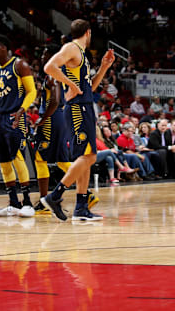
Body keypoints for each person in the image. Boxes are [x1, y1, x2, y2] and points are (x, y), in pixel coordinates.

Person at [41, 19, 115, 221]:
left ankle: (81, 207)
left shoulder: (81, 54)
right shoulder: (71, 48)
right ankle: (55, 195)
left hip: (85, 105)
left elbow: (89, 88)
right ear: (88, 33)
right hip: (76, 108)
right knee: (89, 157)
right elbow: (49, 67)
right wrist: (71, 86)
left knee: (86, 158)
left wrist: (103, 67)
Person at [0, 35, 37, 218]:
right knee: (4, 162)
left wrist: (22, 110)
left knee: (17, 157)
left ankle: (27, 202)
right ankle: (13, 202)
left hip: (14, 117)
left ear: (4, 47)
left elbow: (32, 91)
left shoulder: (19, 65)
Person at [32, 45, 77, 215]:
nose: (42, 56)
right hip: (59, 118)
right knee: (58, 159)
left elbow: (55, 101)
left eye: (45, 54)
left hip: (52, 119)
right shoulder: (62, 73)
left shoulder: (53, 74)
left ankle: (84, 194)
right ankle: (84, 194)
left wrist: (42, 120)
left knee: (42, 158)